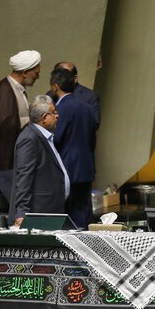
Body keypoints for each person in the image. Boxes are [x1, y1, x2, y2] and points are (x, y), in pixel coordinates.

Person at [9, 96, 70, 226]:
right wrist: (22, 212)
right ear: (44, 117)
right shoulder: (30, 138)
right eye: (54, 112)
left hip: (50, 211)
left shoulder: (45, 136)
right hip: (37, 214)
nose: (57, 116)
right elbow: (24, 176)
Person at [51, 67, 98, 228]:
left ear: (55, 86)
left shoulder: (61, 109)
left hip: (68, 166)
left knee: (67, 217)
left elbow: (57, 138)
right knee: (82, 214)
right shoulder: (87, 108)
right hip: (86, 167)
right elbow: (92, 138)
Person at [0, 50, 42, 171]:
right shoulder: (5, 91)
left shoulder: (17, 88)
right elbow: (6, 127)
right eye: (36, 73)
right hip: (4, 161)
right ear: (25, 72)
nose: (38, 77)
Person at [50, 61, 101, 126]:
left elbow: (95, 123)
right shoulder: (50, 95)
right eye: (58, 75)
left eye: (66, 75)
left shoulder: (89, 96)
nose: (62, 78)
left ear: (75, 78)